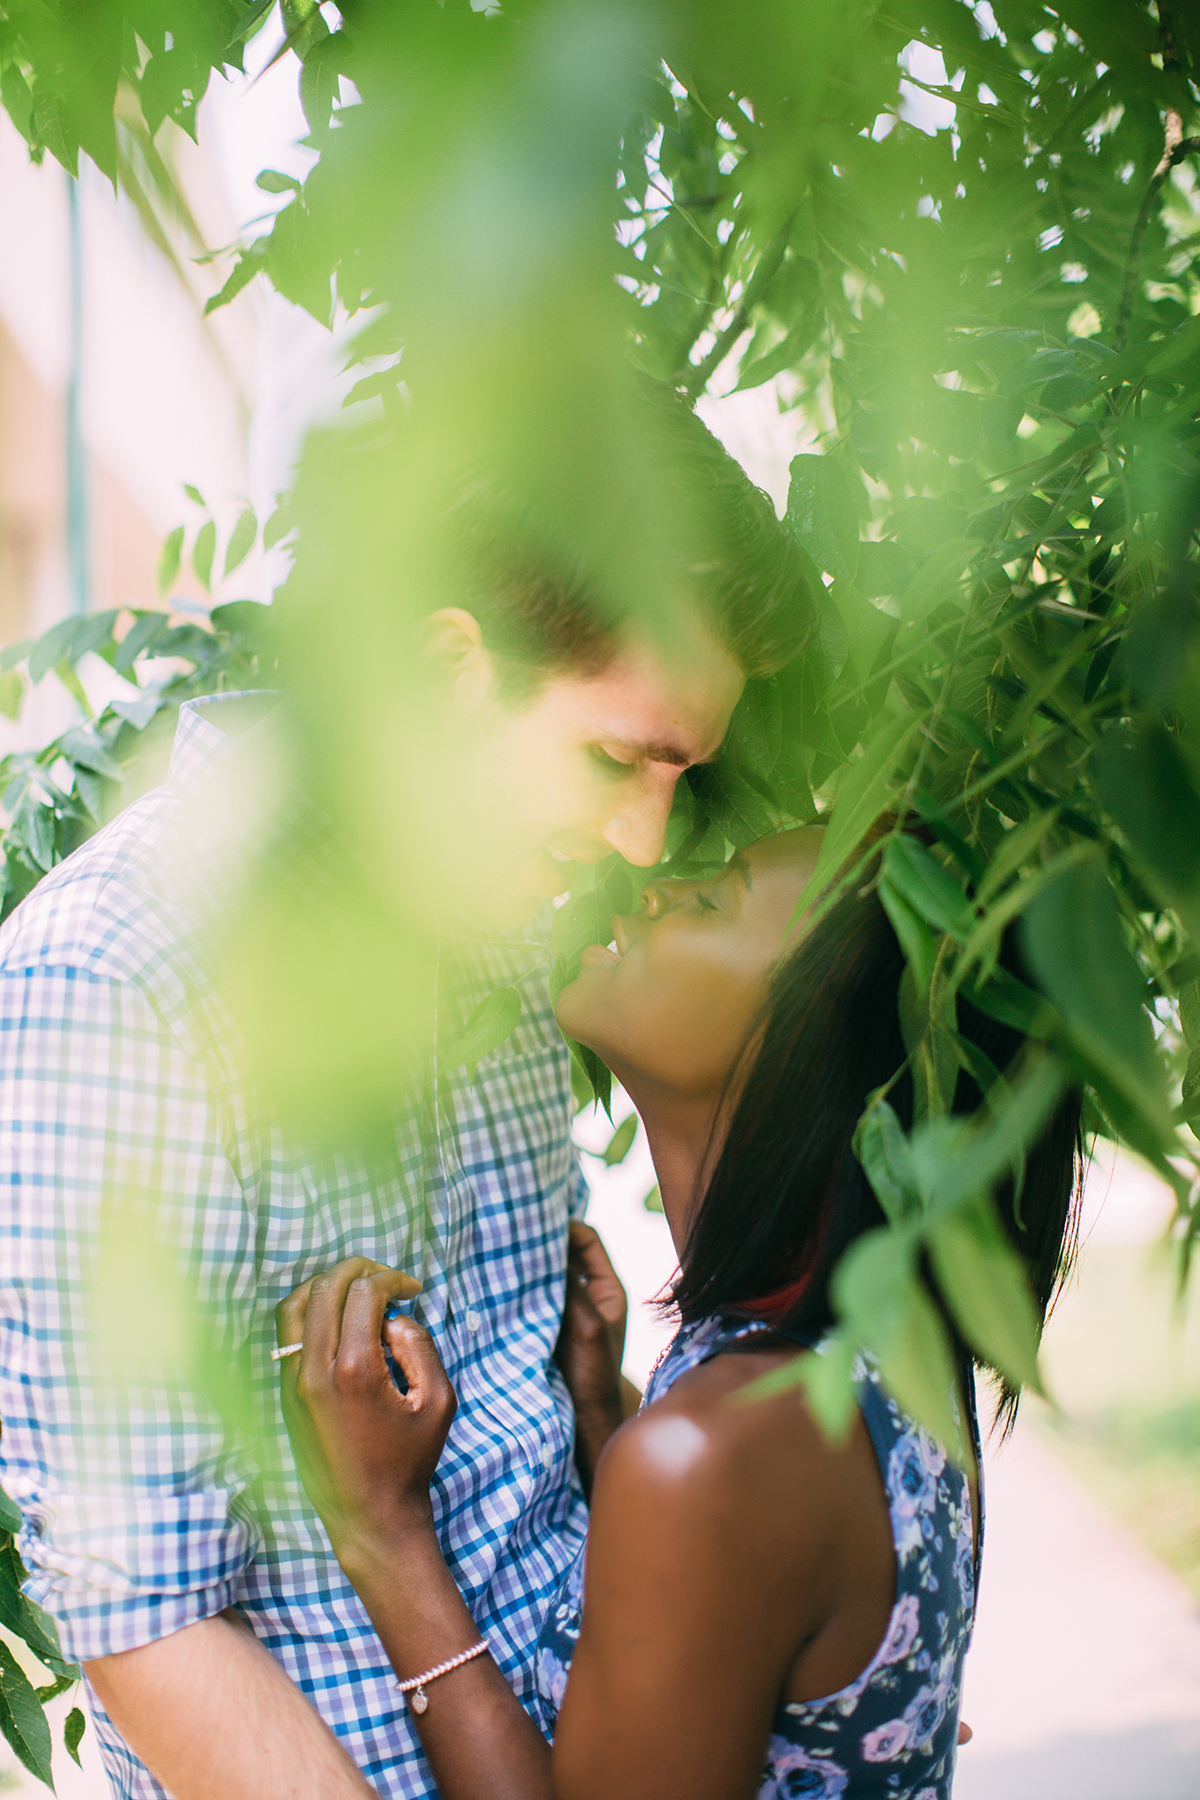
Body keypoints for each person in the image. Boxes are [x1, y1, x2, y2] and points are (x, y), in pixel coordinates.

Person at [0, 413, 816, 1800]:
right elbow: (146, 1621)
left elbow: (521, 1468)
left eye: (679, 777)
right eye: (621, 761)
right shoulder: (121, 979)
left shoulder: (497, 919)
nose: (646, 842)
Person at [277, 824, 1082, 1800]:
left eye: (715, 898)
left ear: (810, 1045)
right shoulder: (891, 1359)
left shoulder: (715, 1454)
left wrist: (383, 1532)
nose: (655, 888)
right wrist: (605, 1419)